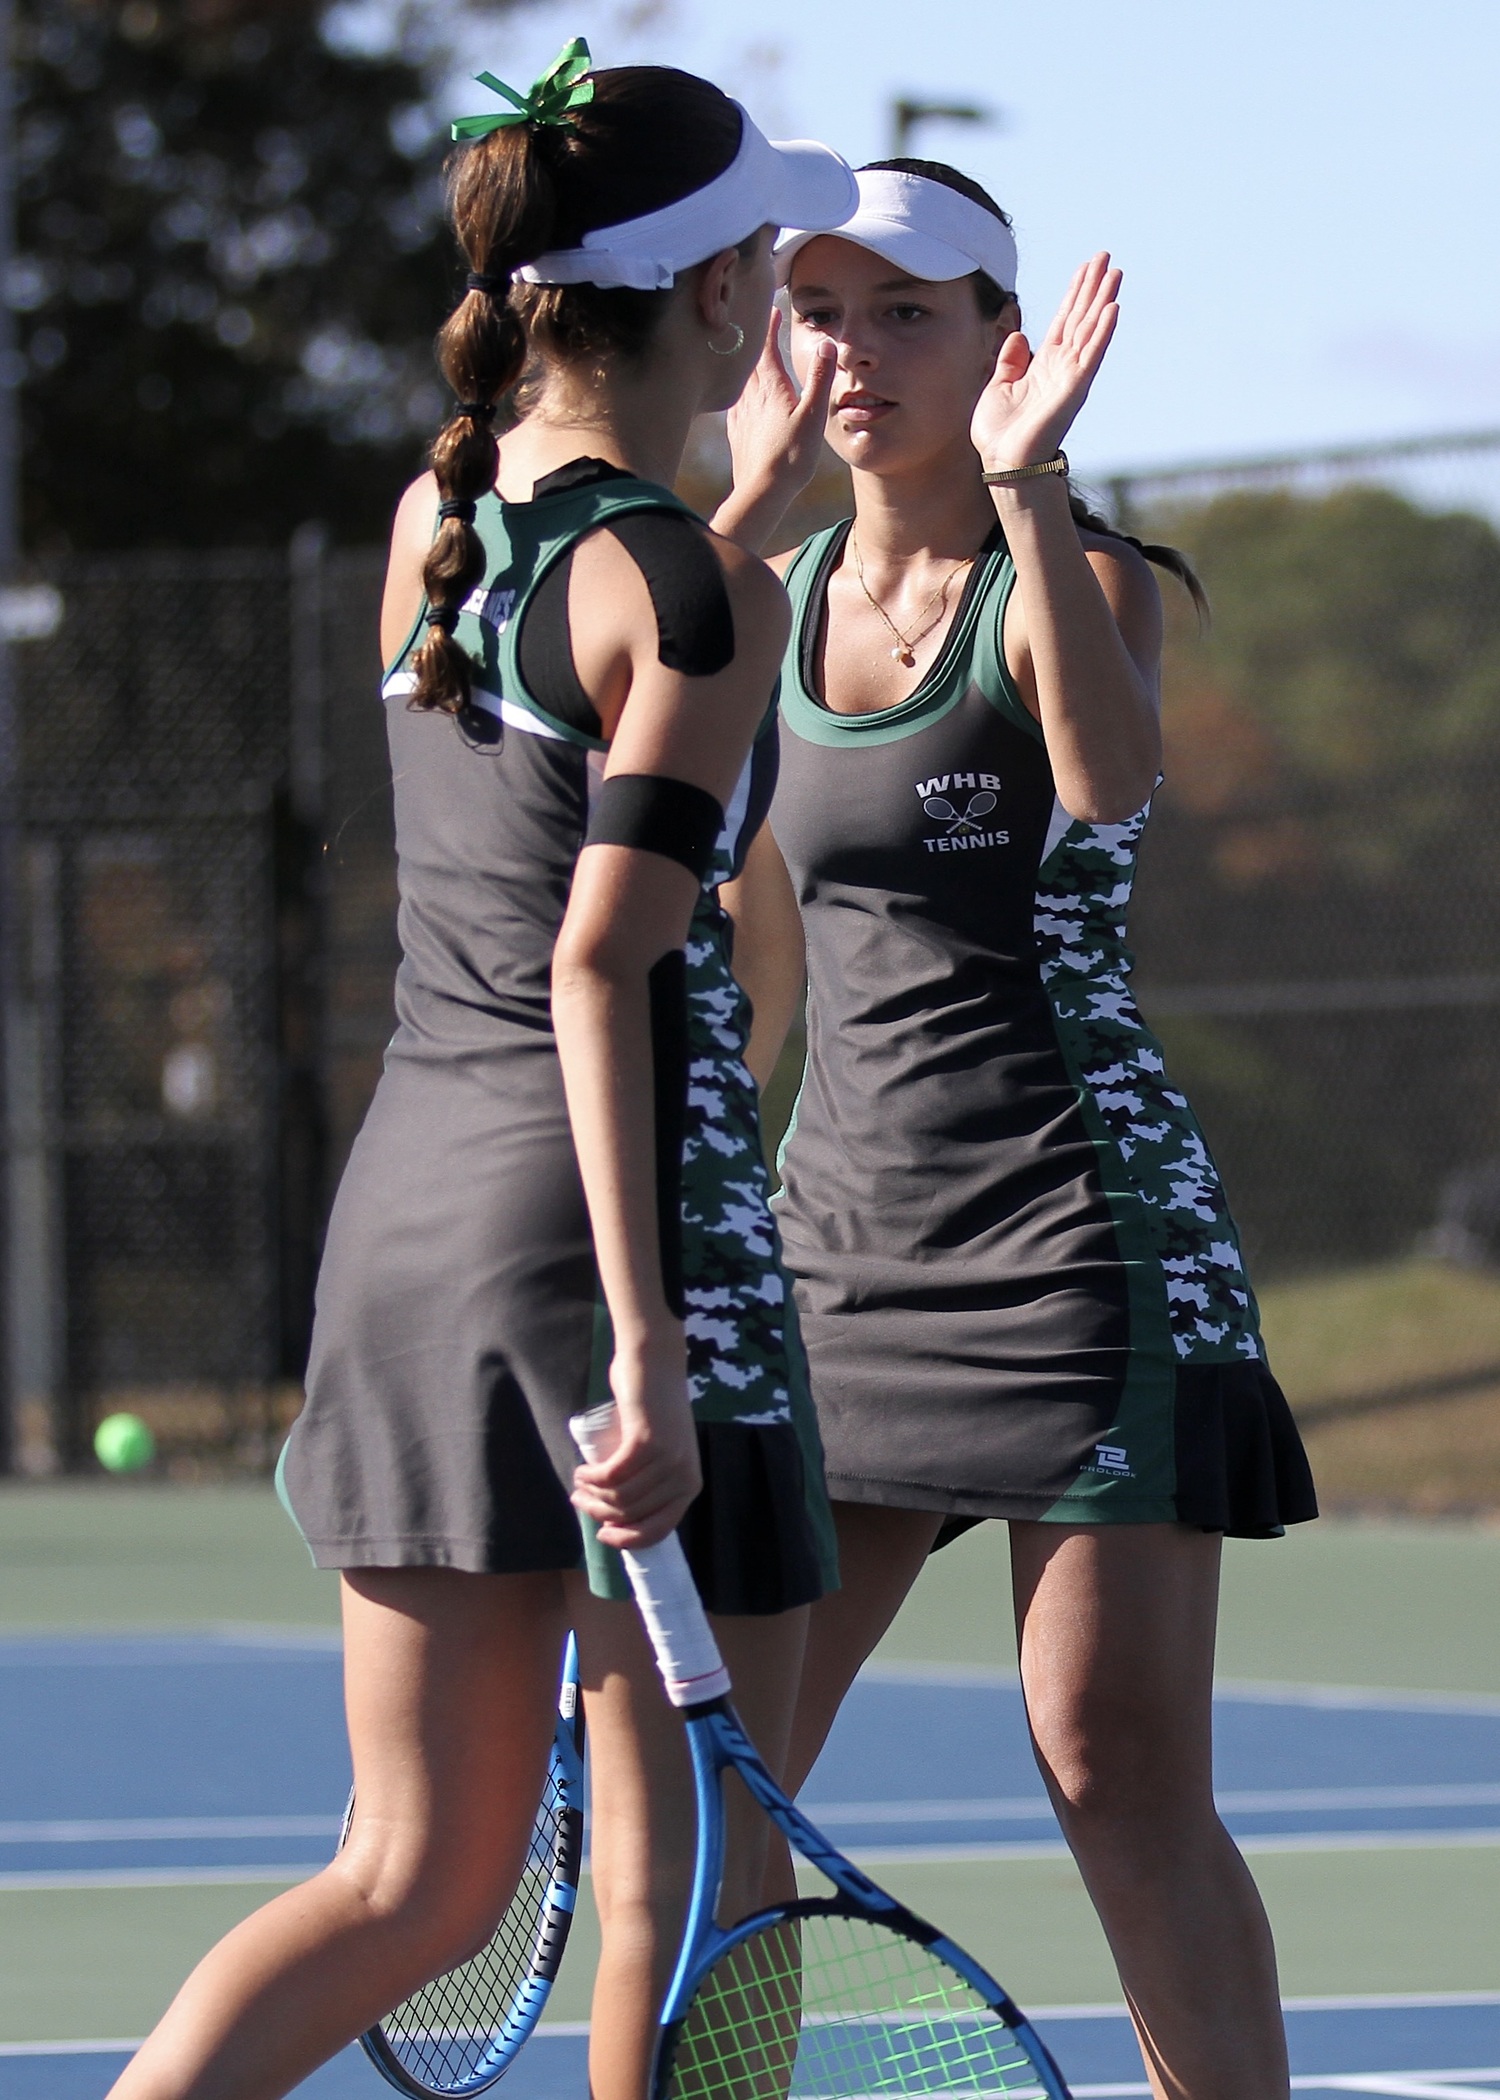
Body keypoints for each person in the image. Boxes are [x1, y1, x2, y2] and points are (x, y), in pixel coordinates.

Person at [110, 46, 855, 2100]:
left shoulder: (436, 514)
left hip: (413, 1232)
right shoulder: (703, 594)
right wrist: (651, 1345)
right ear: (719, 297)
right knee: (689, 1892)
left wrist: (736, 521)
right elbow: (600, 955)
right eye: (770, 263)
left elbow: (585, 659)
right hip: (619, 1243)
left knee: (411, 1881)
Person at [714, 160, 1318, 2100]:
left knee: (1111, 1763)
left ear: (1003, 339)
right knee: (723, 1788)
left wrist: (1034, 483)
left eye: (907, 311)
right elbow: (752, 966)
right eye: (821, 309)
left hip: (1079, 1249)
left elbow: (1106, 778)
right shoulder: (760, 608)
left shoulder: (1090, 578)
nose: (856, 350)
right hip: (835, 1262)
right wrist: (667, 1227)